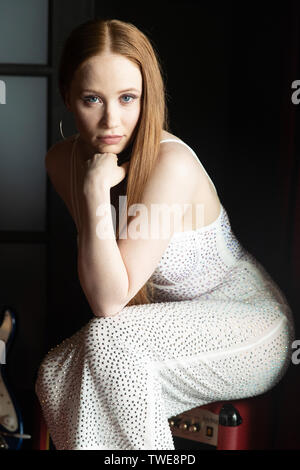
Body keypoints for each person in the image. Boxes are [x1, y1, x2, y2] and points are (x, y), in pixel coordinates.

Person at [35, 18, 295, 450]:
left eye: (127, 98)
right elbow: (106, 278)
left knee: (109, 340)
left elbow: (107, 300)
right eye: (92, 99)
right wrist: (90, 186)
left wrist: (96, 194)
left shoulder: (169, 164)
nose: (111, 120)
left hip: (251, 324)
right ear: (67, 97)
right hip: (155, 330)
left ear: (146, 97)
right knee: (55, 372)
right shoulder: (61, 161)